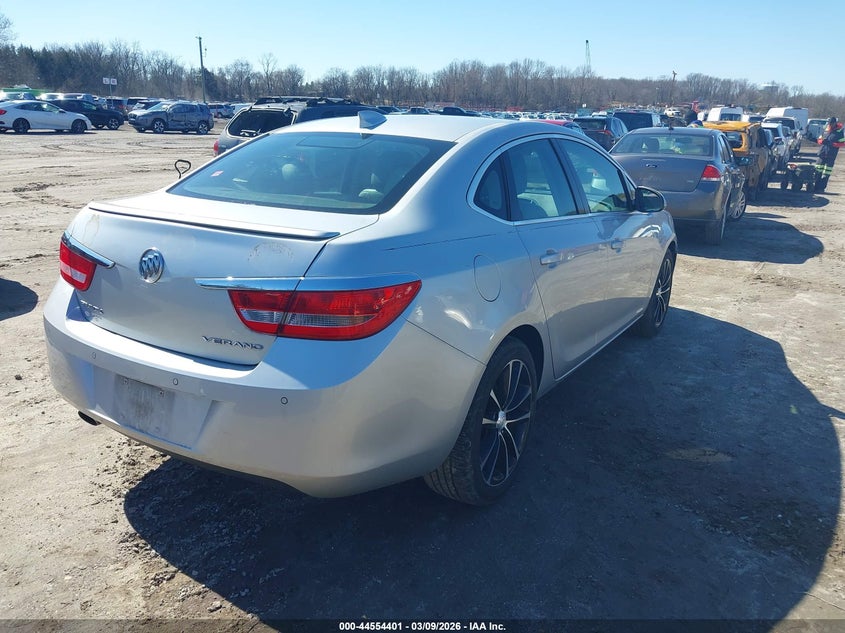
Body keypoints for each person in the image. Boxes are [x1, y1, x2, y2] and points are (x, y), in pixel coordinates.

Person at [814, 116, 845, 192]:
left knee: (826, 172)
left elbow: (842, 144)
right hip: (822, 153)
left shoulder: (839, 132)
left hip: (831, 154)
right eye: (829, 123)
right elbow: (819, 139)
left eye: (832, 123)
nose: (830, 125)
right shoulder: (826, 130)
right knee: (818, 170)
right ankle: (815, 187)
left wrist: (832, 144)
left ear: (835, 123)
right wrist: (821, 141)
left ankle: (821, 188)